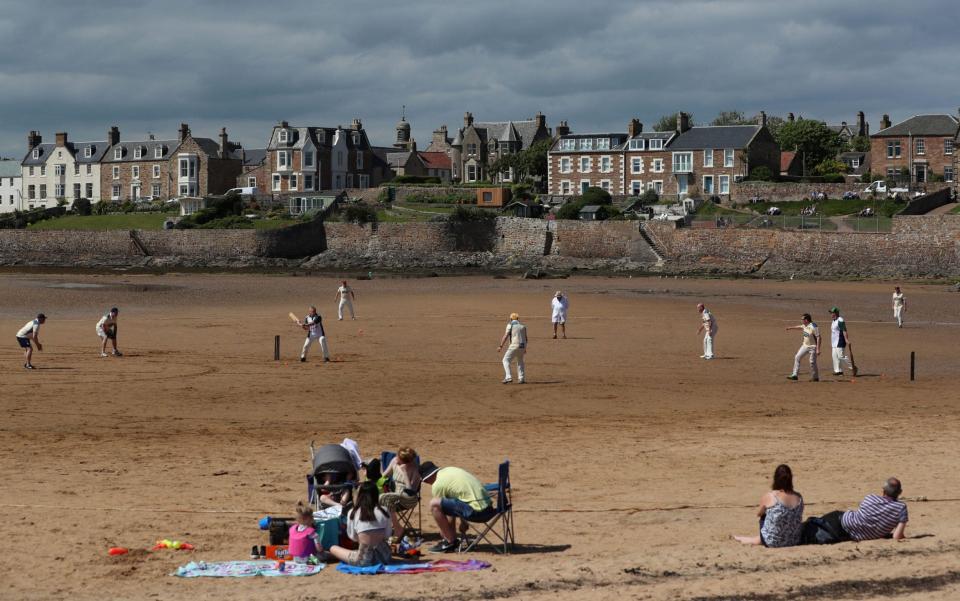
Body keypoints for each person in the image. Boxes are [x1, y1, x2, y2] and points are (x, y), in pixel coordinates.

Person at [420, 462, 496, 553]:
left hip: (478, 512)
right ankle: (451, 540)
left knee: (434, 504)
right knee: (446, 501)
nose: (427, 483)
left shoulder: (437, 485)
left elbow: (441, 510)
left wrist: (444, 532)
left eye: (425, 481)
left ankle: (449, 542)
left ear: (427, 478)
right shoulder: (449, 470)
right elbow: (458, 501)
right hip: (488, 508)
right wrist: (463, 523)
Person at [808, 478, 908, 543]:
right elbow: (897, 536)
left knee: (813, 524)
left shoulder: (870, 498)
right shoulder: (901, 508)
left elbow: (863, 517)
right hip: (851, 536)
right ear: (900, 492)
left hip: (842, 521)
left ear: (883, 491)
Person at [733, 464, 804, 547]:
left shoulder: (771, 496)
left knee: (764, 516)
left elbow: (759, 514)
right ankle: (749, 539)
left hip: (772, 542)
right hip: (793, 541)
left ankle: (747, 539)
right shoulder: (799, 497)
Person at [328, 481, 392, 566]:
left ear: (360, 495)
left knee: (333, 548)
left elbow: (352, 537)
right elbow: (388, 534)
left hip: (364, 559)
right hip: (385, 557)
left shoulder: (353, 512)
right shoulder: (384, 510)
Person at [379, 446, 422, 539]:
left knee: (385, 498)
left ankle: (397, 529)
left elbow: (411, 491)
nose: (396, 458)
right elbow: (384, 476)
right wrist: (381, 464)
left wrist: (405, 472)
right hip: (394, 498)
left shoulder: (416, 469)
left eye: (398, 457)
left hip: (408, 499)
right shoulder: (394, 461)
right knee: (383, 499)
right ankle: (393, 528)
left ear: (405, 461)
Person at [786, 313, 820, 381]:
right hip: (805, 346)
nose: (801, 320)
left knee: (812, 362)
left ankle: (815, 377)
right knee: (797, 357)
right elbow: (799, 327)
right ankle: (795, 375)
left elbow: (819, 337)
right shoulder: (804, 325)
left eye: (802, 319)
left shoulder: (814, 326)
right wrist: (790, 328)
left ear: (806, 320)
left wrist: (818, 349)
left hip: (813, 347)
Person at [498, 312, 527, 384]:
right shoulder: (523, 326)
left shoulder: (510, 325)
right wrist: (525, 348)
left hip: (513, 346)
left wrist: (501, 346)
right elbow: (526, 338)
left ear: (511, 319)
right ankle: (521, 378)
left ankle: (508, 377)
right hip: (522, 346)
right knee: (520, 361)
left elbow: (505, 336)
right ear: (517, 319)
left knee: (505, 360)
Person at [829, 307, 857, 377]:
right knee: (834, 356)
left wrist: (846, 339)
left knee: (841, 356)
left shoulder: (840, 320)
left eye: (832, 313)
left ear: (836, 313)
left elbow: (844, 330)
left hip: (840, 341)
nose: (831, 314)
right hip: (834, 342)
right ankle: (838, 371)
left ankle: (853, 367)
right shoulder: (833, 321)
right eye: (831, 313)